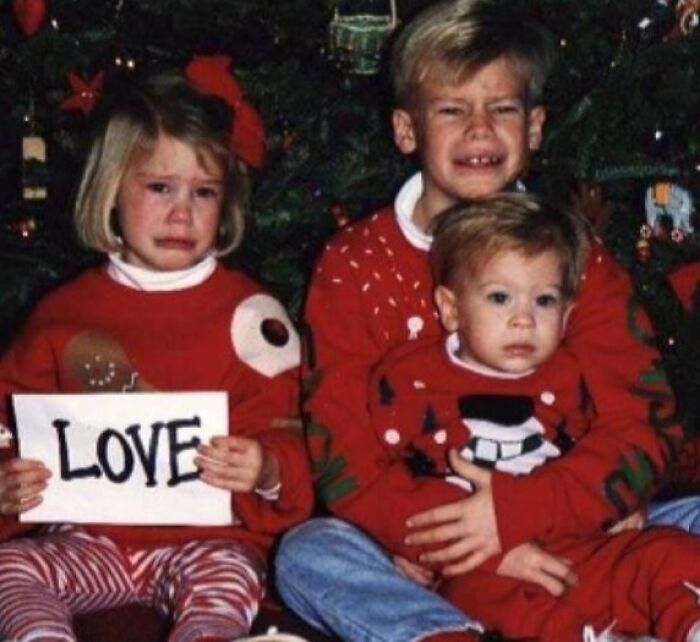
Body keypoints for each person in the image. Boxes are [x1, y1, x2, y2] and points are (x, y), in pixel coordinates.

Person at [275, 1, 683, 641]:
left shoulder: (578, 256)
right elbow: (344, 454)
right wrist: (469, 539)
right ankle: (443, 633)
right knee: (308, 555)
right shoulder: (353, 265)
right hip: (427, 550)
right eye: (451, 110)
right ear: (408, 130)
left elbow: (643, 419)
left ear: (537, 126)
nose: (480, 130)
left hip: (579, 524)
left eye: (502, 109)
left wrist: (527, 513)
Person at [0, 57, 313, 642]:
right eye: (160, 187)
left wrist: (265, 466)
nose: (182, 212)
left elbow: (291, 436)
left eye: (204, 192)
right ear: (111, 191)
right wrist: (6, 478)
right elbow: (8, 416)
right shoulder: (63, 314)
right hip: (88, 539)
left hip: (211, 541)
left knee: (222, 587)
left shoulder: (254, 318)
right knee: (10, 571)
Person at [367, 192, 700, 642]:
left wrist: (626, 499)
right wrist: (410, 546)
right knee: (493, 602)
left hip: (583, 549)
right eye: (500, 298)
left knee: (668, 551)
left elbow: (617, 450)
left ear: (566, 317)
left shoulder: (573, 376)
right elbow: (387, 482)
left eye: (543, 301)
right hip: (487, 569)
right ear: (450, 309)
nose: (523, 319)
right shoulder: (410, 380)